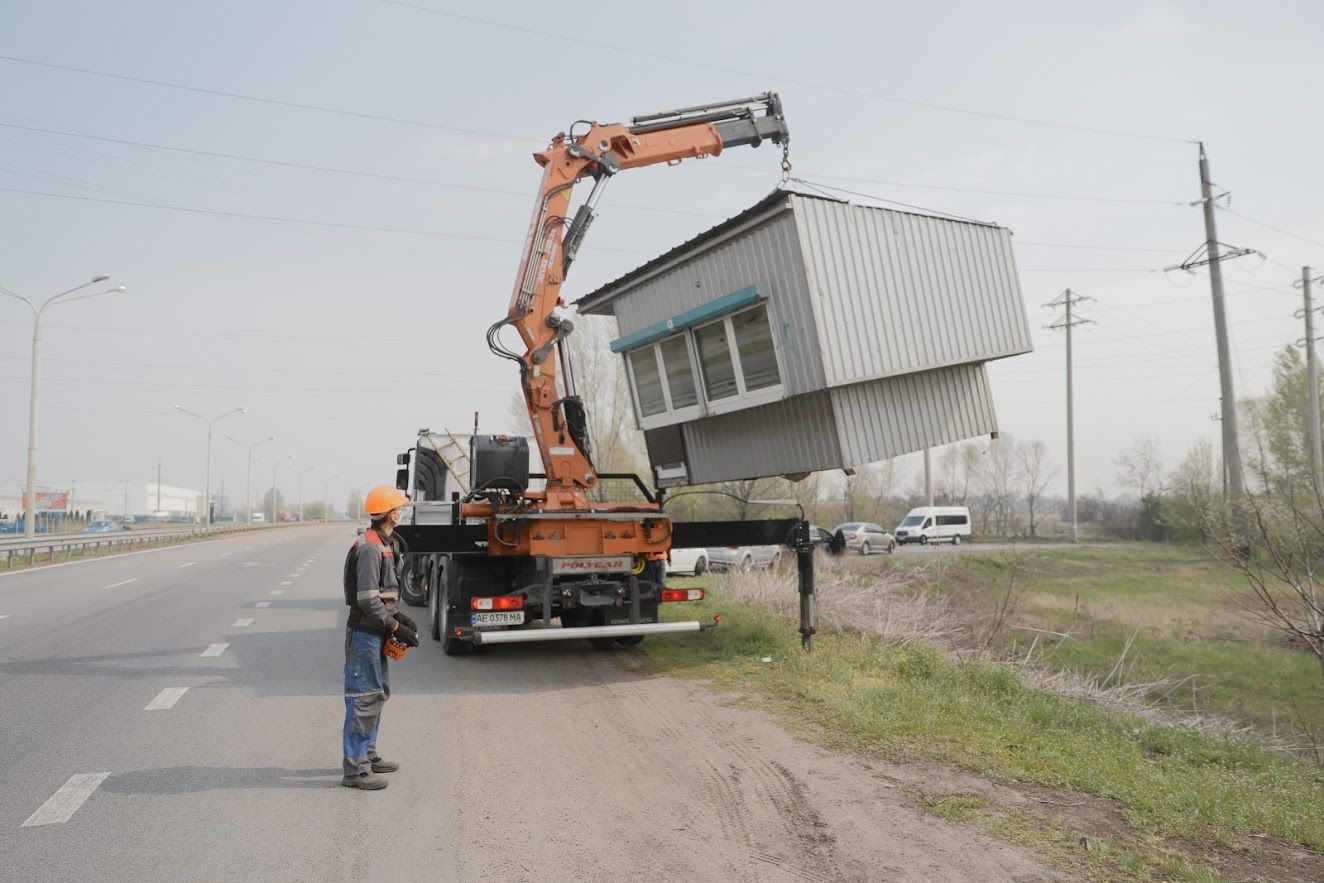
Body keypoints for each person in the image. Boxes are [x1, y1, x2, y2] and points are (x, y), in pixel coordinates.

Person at [341, 485, 419, 790]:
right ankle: (355, 771)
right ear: (391, 512)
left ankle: (368, 756)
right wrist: (394, 627)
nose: (402, 511)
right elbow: (368, 600)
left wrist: (398, 616)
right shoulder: (371, 547)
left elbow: (383, 597)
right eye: (399, 507)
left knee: (376, 694)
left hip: (375, 631)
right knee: (363, 700)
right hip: (365, 634)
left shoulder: (384, 543)